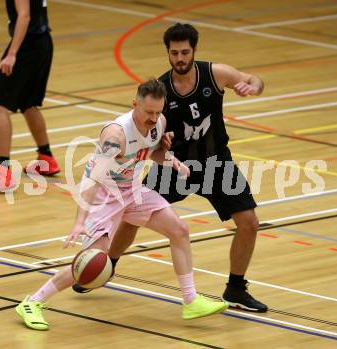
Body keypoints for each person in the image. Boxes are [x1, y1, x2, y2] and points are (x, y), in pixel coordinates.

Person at [74, 23, 268, 313]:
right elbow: (143, 125)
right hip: (174, 165)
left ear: (194, 51)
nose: (180, 58)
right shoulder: (161, 91)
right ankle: (105, 265)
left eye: (185, 52)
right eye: (174, 52)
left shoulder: (215, 75)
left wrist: (253, 86)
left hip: (217, 162)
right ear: (168, 52)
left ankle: (236, 289)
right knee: (132, 216)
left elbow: (255, 79)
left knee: (249, 223)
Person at [15, 79, 228, 330]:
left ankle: (190, 300)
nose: (154, 118)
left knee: (179, 230)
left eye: (158, 112)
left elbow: (150, 152)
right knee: (91, 261)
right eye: (148, 112)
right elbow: (92, 180)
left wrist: (172, 161)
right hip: (103, 196)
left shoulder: (158, 123)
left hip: (132, 190)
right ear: (134, 104)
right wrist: (79, 222)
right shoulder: (115, 135)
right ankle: (32, 302)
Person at [0, 0, 59, 195]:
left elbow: (24, 15)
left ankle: (3, 173)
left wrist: (12, 53)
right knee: (27, 103)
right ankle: (46, 158)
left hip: (28, 46)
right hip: (42, 43)